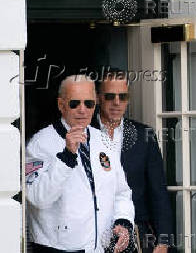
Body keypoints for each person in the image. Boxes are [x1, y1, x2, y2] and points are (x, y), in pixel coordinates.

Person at [26, 75, 135, 253]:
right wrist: (67, 157)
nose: (82, 110)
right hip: (57, 248)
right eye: (75, 103)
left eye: (89, 103)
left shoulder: (103, 140)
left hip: (100, 247)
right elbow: (38, 198)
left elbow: (121, 192)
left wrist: (122, 221)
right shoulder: (40, 143)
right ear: (61, 105)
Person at [92, 70, 174, 253]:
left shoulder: (144, 136)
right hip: (93, 233)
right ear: (98, 98)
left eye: (123, 96)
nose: (117, 102)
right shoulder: (85, 133)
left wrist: (163, 242)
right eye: (110, 96)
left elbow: (158, 192)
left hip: (136, 233)